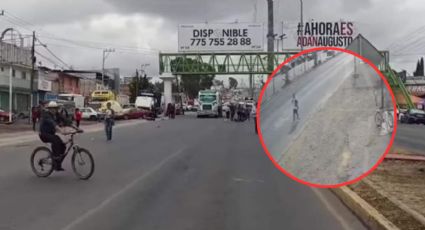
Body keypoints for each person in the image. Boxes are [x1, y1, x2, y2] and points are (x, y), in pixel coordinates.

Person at [38, 101, 72, 171]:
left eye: (55, 108)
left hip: (51, 134)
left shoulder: (57, 114)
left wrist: (77, 128)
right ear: (49, 109)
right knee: (56, 140)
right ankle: (55, 157)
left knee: (63, 145)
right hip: (44, 134)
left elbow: (66, 121)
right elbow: (53, 123)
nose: (53, 110)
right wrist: (61, 130)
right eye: (51, 108)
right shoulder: (46, 115)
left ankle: (57, 165)